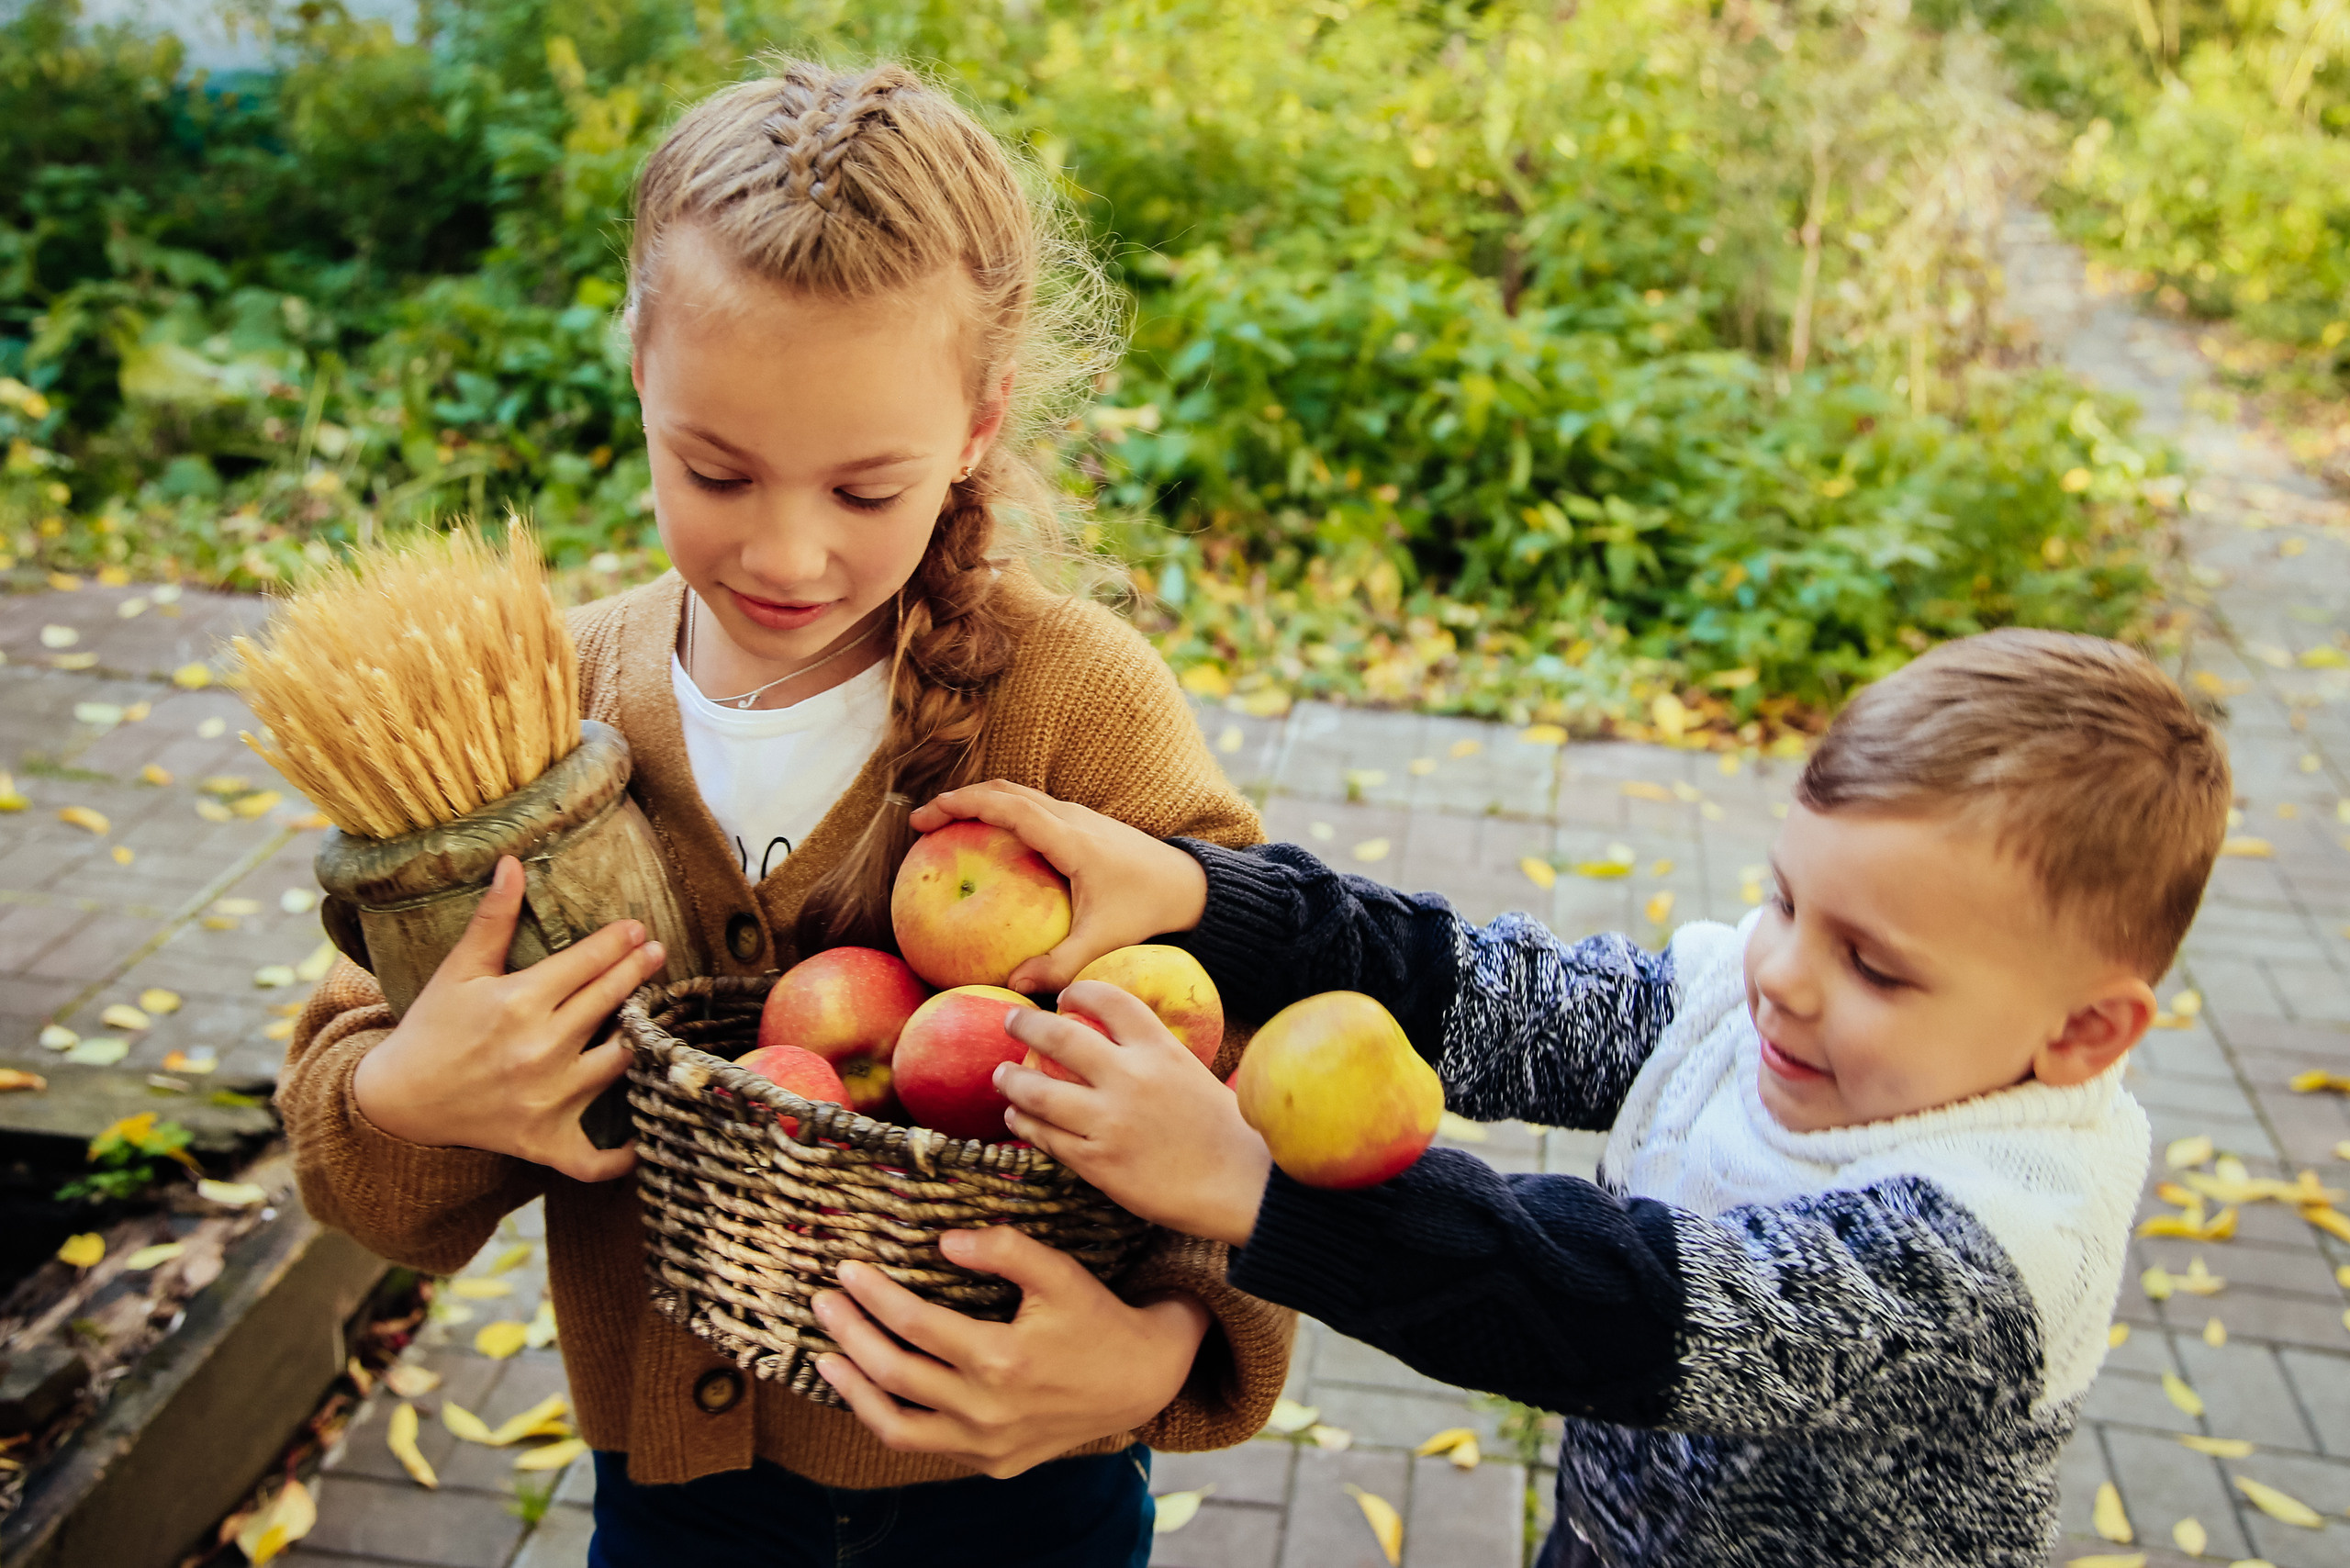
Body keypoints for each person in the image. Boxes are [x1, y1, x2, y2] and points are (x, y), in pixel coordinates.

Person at [276, 59, 1292, 1568]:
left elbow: (1263, 1044)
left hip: (1018, 1488)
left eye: (865, 491)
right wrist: (404, 1102)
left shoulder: (1077, 702)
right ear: (638, 372)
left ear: (979, 421)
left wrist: (1166, 1353)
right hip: (676, 1500)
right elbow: (356, 1117)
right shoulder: (529, 700)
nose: (787, 551)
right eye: (715, 469)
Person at [920, 629, 2232, 1567]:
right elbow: (1492, 993)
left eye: (1876, 966)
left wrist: (1259, 1191)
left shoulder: (1993, 1252)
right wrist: (1203, 897)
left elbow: (1612, 1309)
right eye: (1785, 900)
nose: (1784, 977)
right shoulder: (1754, 1008)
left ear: (2086, 1032)